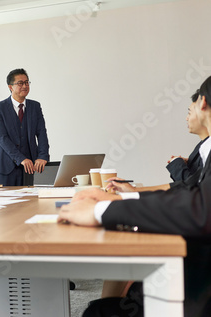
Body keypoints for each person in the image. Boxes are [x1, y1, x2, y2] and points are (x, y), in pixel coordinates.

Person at [58, 76, 211, 317]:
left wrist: (103, 210)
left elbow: (198, 207)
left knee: (99, 311)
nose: (186, 116)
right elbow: (188, 192)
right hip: (192, 275)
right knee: (111, 299)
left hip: (194, 291)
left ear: (202, 103)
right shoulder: (205, 151)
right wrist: (127, 198)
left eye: (189, 109)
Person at [0, 68, 50, 186]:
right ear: (10, 87)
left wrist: (43, 156)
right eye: (20, 83)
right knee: (7, 203)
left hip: (31, 168)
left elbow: (42, 133)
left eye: (26, 82)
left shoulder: (35, 106)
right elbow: (2, 138)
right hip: (6, 168)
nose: (25, 86)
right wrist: (21, 159)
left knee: (31, 203)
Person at [166, 89, 209, 182]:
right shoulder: (202, 145)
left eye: (189, 113)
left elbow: (193, 187)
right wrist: (189, 162)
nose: (187, 118)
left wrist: (177, 164)